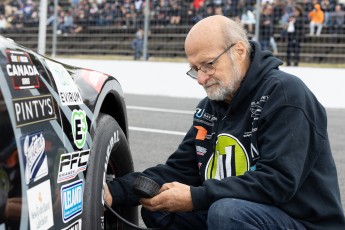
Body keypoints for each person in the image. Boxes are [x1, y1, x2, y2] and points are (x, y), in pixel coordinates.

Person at [104, 15, 345, 229]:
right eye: (195, 69)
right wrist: (114, 191)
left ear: (239, 51)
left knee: (227, 212)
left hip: (302, 221)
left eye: (208, 64)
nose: (200, 78)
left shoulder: (285, 94)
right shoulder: (211, 107)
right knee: (161, 208)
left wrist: (196, 198)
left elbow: (278, 182)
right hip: (249, 213)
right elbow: (179, 170)